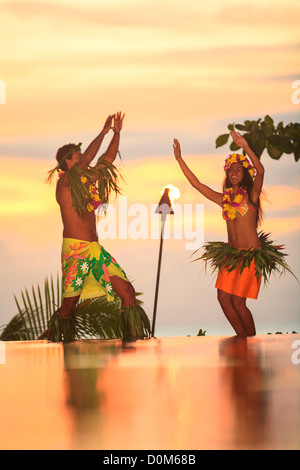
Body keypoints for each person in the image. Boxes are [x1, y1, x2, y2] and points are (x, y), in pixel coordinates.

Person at [46, 112, 150, 342]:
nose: (84, 158)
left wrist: (116, 133)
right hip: (76, 251)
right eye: (79, 156)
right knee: (69, 306)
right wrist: (102, 132)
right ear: (68, 163)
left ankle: (133, 342)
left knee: (128, 292)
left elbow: (107, 161)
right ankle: (52, 336)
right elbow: (88, 160)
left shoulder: (85, 179)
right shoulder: (64, 183)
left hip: (95, 250)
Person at [173, 130, 275, 337]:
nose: (234, 172)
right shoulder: (224, 200)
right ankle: (241, 339)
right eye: (230, 170)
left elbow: (261, 171)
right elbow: (197, 185)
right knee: (223, 299)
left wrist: (245, 146)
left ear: (245, 173)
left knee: (238, 302)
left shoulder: (251, 195)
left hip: (250, 255)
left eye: (238, 169)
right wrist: (179, 159)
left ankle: (252, 343)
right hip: (231, 255)